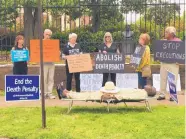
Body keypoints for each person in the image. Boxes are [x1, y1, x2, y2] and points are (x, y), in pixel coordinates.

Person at [157, 26, 181, 101]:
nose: (165, 33)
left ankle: (172, 96)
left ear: (171, 33)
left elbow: (181, 53)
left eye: (166, 32)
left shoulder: (178, 41)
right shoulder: (163, 42)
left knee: (172, 79)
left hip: (173, 63)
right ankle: (162, 94)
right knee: (163, 78)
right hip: (164, 63)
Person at [43, 29, 56, 99]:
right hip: (43, 63)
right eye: (46, 34)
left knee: (51, 78)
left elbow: (57, 52)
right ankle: (44, 93)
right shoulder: (40, 43)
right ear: (43, 34)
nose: (48, 36)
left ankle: (50, 93)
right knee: (44, 78)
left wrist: (58, 53)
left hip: (51, 63)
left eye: (49, 35)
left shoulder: (53, 43)